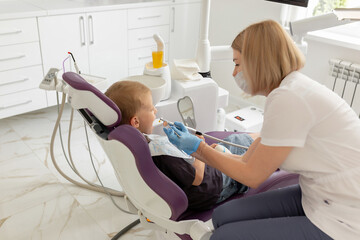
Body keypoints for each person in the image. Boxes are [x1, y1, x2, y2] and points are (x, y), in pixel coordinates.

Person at [164, 19, 360, 240]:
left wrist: (198, 148)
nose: (233, 73)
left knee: (224, 236)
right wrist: (199, 149)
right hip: (316, 196)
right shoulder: (286, 91)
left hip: (344, 218)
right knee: (221, 215)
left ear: (257, 62)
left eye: (237, 64)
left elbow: (252, 176)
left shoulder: (289, 97)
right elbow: (248, 160)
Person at [104, 80, 253, 211]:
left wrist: (198, 149)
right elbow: (198, 177)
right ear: (135, 122)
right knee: (242, 142)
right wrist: (199, 146)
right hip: (213, 186)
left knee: (231, 142)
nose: (155, 111)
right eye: (151, 109)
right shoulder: (161, 153)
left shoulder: (136, 142)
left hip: (204, 177)